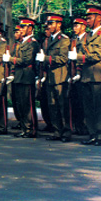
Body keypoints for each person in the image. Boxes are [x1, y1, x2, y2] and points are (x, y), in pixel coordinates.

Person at [73, 5, 101, 146]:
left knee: (99, 107)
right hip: (86, 76)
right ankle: (93, 134)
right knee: (88, 108)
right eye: (87, 18)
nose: (87, 20)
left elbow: (97, 55)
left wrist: (79, 57)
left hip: (98, 75)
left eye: (89, 18)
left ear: (98, 18)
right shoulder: (87, 35)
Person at [37, 13, 71, 142]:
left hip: (60, 77)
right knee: (52, 106)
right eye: (48, 24)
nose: (49, 26)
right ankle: (57, 132)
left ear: (59, 24)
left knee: (62, 106)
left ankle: (66, 133)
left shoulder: (64, 39)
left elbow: (63, 58)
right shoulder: (49, 40)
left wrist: (45, 59)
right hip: (51, 77)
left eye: (51, 24)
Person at [6, 17, 40, 138]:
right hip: (19, 76)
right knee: (22, 104)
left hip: (27, 76)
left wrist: (11, 59)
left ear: (30, 29)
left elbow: (26, 60)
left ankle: (31, 129)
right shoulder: (22, 43)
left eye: (24, 27)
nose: (21, 29)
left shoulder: (32, 43)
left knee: (28, 105)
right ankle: (26, 128)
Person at [68, 17, 88, 135]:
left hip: (84, 74)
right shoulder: (74, 40)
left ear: (83, 27)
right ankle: (79, 127)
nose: (74, 28)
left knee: (84, 103)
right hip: (74, 74)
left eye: (77, 26)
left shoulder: (87, 39)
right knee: (76, 102)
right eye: (74, 26)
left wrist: (79, 73)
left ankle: (85, 128)